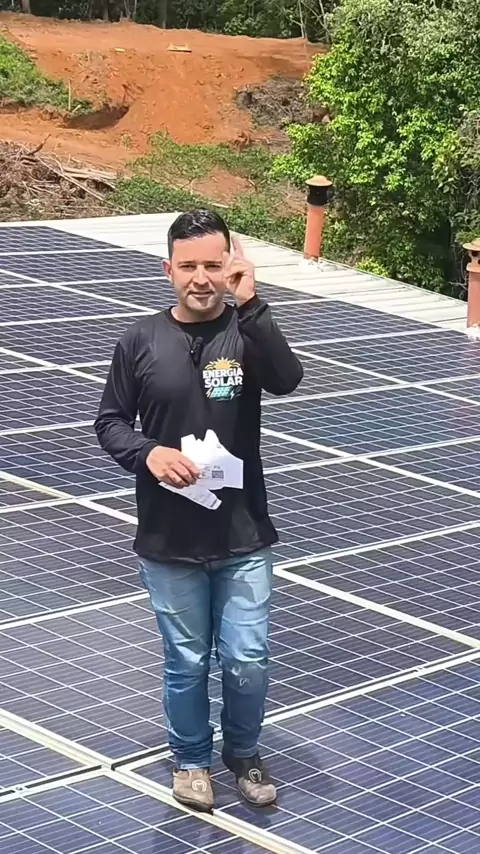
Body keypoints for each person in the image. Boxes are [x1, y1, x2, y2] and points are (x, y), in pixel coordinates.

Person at [95, 209, 303, 812]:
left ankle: (244, 753)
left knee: (246, 659)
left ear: (230, 264)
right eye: (189, 266)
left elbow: (287, 379)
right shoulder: (140, 340)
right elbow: (109, 422)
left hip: (243, 534)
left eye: (214, 264)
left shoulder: (246, 332)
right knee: (186, 661)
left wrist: (252, 302)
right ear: (169, 270)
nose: (202, 277)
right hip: (169, 539)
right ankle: (191, 759)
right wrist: (148, 453)